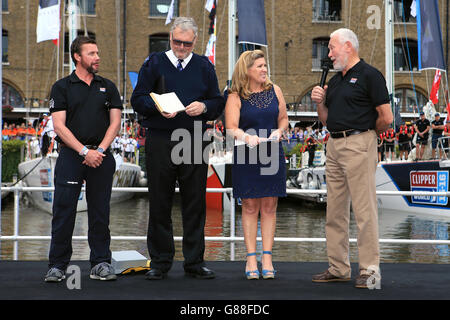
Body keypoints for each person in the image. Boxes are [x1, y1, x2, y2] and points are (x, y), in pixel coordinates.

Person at [131, 17, 224, 280]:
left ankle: (194, 262)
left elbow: (217, 101)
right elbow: (137, 99)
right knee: (159, 200)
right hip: (160, 137)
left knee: (195, 201)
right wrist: (158, 107)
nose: (181, 47)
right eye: (177, 42)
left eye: (187, 43)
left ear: (195, 41)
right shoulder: (153, 63)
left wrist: (204, 108)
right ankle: (160, 262)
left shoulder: (204, 66)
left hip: (193, 137)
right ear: (170, 38)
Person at [311, 28, 393, 288]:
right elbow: (326, 120)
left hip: (359, 142)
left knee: (364, 210)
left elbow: (387, 117)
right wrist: (319, 103)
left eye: (332, 48)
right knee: (334, 210)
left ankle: (370, 271)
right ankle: (338, 267)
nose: (330, 54)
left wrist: (366, 136)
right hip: (333, 144)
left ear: (348, 46)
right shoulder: (335, 81)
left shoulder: (370, 75)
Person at [44, 36, 122, 282]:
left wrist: (99, 150)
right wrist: (83, 152)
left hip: (101, 156)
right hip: (71, 156)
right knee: (64, 210)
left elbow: (116, 122)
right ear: (77, 57)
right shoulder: (62, 87)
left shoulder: (108, 86)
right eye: (91, 53)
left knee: (100, 212)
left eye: (97, 53)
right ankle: (57, 265)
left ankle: (100, 263)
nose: (97, 57)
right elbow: (59, 126)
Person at [225, 49, 288, 280]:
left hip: (272, 152)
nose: (264, 69)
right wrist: (246, 137)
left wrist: (280, 132)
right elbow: (231, 127)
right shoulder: (235, 96)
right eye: (259, 66)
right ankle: (251, 257)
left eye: (265, 65)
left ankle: (267, 257)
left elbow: (283, 118)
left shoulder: (275, 91)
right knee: (250, 206)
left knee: (270, 207)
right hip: (247, 153)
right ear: (247, 70)